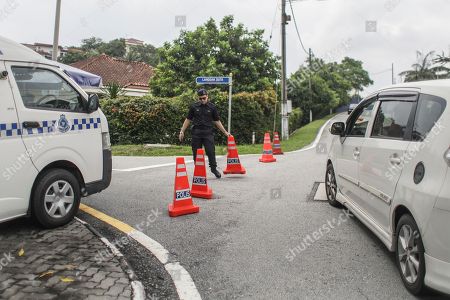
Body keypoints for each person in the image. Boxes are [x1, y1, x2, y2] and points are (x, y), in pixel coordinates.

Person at [179, 89, 230, 178]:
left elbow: (217, 121)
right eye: (200, 98)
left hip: (208, 133)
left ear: (207, 97)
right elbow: (188, 119)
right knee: (196, 153)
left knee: (211, 151)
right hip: (196, 133)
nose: (202, 100)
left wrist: (225, 132)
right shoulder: (194, 107)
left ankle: (213, 169)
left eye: (204, 98)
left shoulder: (212, 107)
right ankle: (198, 171)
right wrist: (182, 131)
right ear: (198, 98)